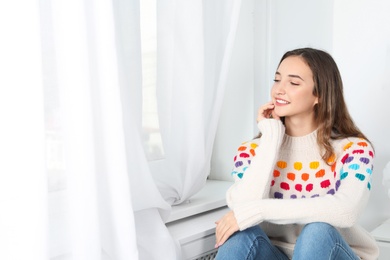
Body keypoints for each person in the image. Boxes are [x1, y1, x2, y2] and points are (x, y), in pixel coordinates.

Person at [214, 47, 379, 260]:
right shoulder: (252, 150)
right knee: (240, 234)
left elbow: (346, 211)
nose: (279, 90)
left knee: (316, 231)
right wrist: (271, 138)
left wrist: (260, 210)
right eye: (277, 79)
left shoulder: (354, 149)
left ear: (319, 94)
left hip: (332, 253)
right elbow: (242, 210)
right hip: (276, 255)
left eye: (293, 83)